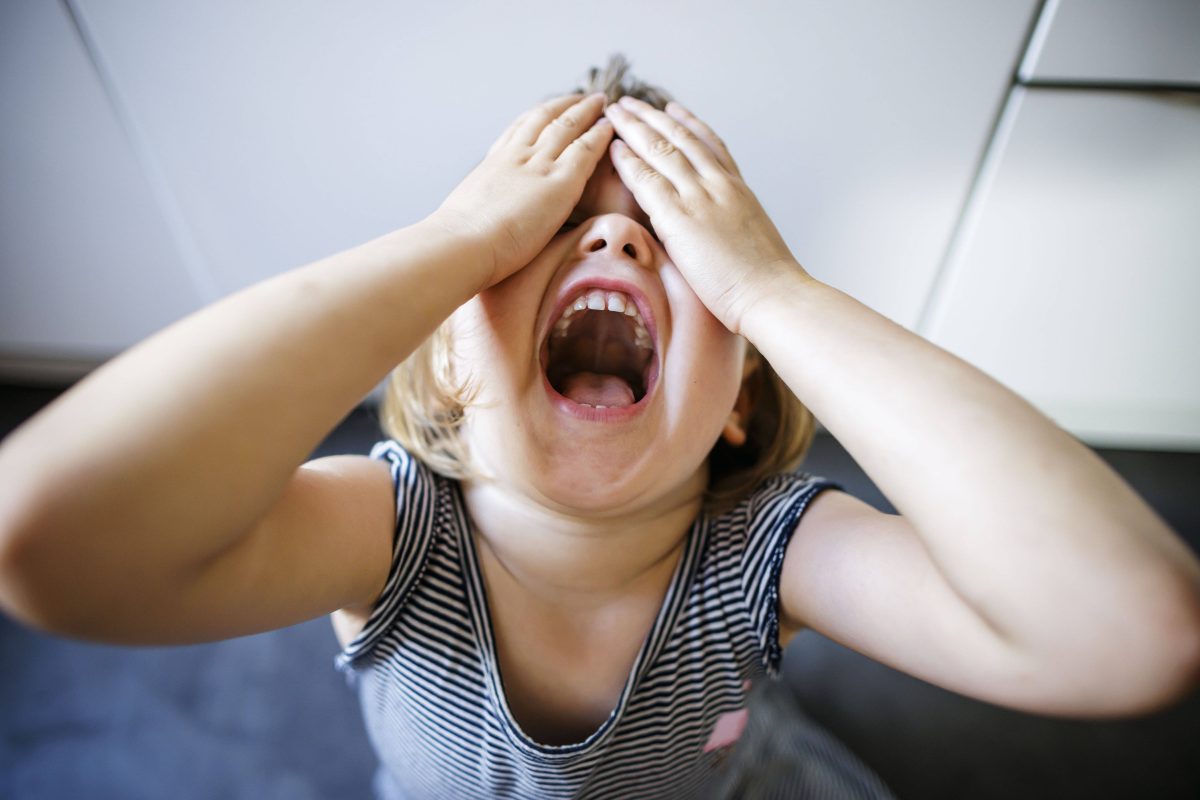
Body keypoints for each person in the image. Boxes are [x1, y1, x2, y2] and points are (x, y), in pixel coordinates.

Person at [0, 57, 1197, 800]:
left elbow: (1132, 629)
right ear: (451, 357)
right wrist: (452, 245)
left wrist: (776, 290)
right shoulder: (393, 532)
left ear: (741, 397)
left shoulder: (763, 553)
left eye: (676, 243)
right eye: (546, 230)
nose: (617, 239)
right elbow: (47, 532)